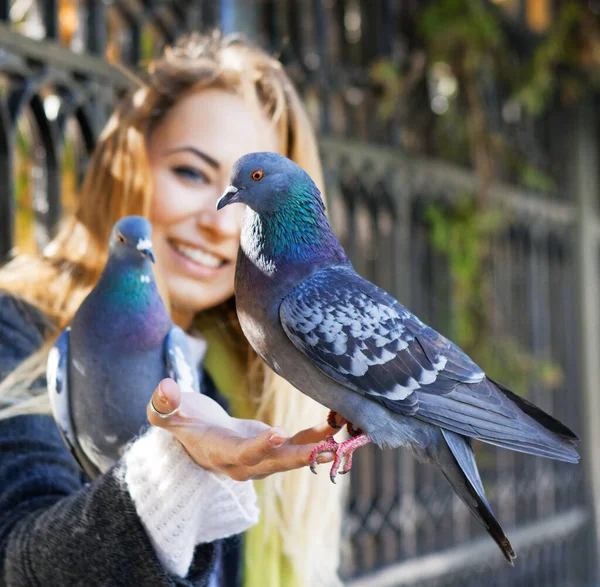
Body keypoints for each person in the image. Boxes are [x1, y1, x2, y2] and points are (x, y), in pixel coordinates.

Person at [0, 32, 345, 587]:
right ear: (127, 164)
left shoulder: (248, 378)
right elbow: (17, 563)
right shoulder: (16, 328)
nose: (219, 220)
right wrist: (178, 471)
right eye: (190, 173)